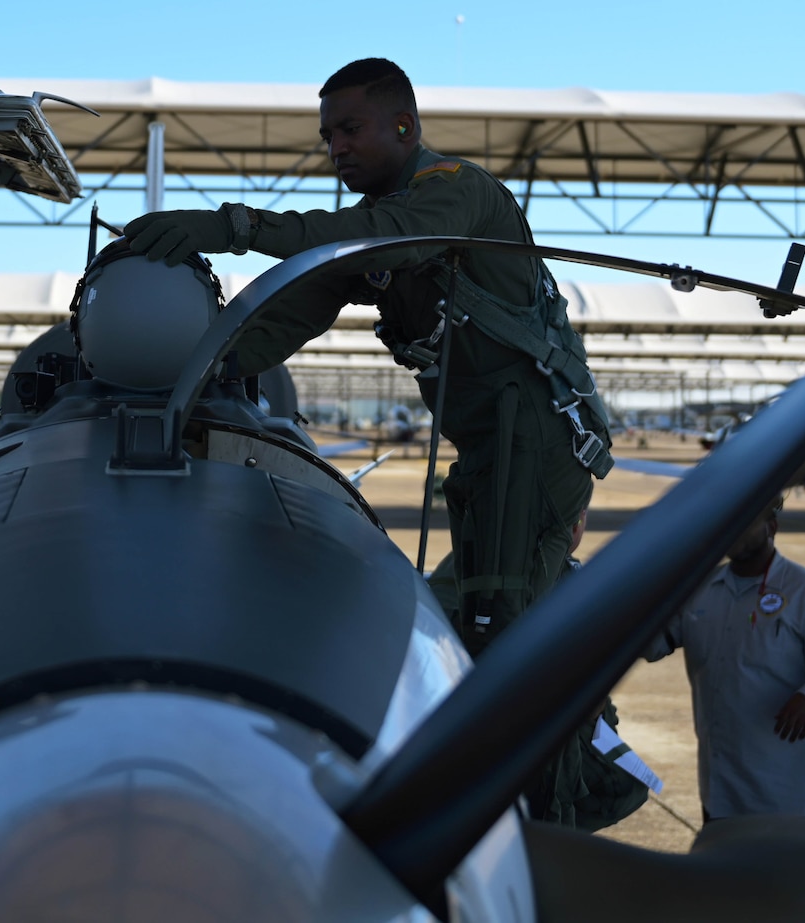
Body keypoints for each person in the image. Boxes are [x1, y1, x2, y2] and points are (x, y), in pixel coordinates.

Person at [124, 57, 613, 650]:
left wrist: (237, 228)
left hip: (535, 441)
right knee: (470, 626)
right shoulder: (368, 232)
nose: (336, 148)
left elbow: (381, 239)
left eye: (350, 129)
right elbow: (294, 310)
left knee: (507, 641)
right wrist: (194, 368)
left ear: (404, 127)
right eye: (328, 136)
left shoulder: (456, 191)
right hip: (493, 449)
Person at [644, 499, 805, 821]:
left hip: (784, 794)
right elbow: (652, 644)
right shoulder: (701, 589)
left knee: (779, 872)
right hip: (719, 790)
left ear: (772, 528)